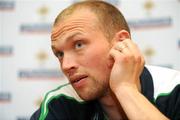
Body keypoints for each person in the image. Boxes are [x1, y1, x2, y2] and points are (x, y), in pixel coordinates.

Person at [31, 1, 180, 120]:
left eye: (78, 44)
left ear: (121, 43)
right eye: (59, 54)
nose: (66, 65)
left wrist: (125, 88)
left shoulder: (174, 89)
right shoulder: (61, 102)